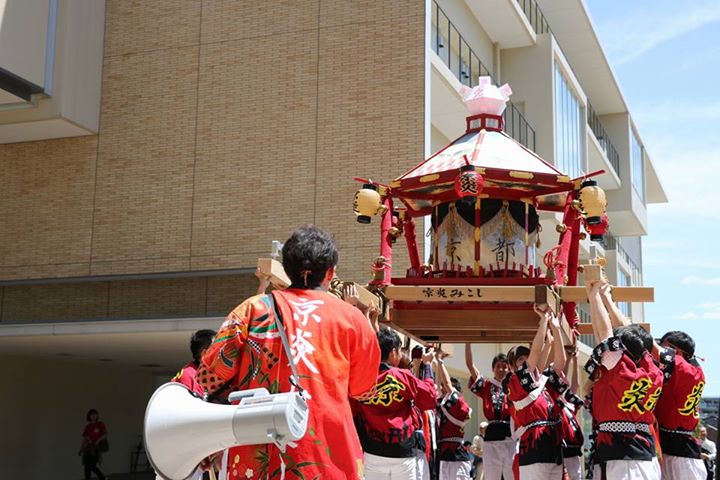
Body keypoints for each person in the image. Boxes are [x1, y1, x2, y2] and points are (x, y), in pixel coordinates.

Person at [196, 225, 381, 478]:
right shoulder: (353, 319)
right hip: (328, 456)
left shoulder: (253, 309)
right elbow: (364, 389)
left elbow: (209, 377)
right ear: (330, 272)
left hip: (256, 452)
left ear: (287, 268)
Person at [598, 282, 706, 479]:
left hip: (678, 455)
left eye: (664, 348)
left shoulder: (682, 368)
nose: (655, 355)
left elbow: (636, 338)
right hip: (676, 449)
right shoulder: (692, 370)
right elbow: (634, 338)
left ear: (678, 352)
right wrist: (607, 300)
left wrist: (604, 299)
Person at [583, 279, 663, 479]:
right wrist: (606, 298)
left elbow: (606, 335)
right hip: (643, 452)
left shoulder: (623, 372)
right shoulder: (653, 370)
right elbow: (635, 336)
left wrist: (593, 296)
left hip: (625, 457)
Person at [353, 327, 438, 479]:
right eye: (399, 351)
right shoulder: (401, 376)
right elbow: (429, 398)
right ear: (393, 352)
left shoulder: (364, 377)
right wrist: (427, 367)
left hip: (372, 451)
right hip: (402, 453)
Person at [506, 305, 565, 479]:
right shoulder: (515, 382)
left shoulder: (543, 381)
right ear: (512, 367)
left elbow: (560, 361)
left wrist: (556, 328)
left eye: (526, 357)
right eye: (520, 360)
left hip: (553, 445)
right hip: (533, 446)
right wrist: (544, 321)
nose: (525, 361)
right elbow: (536, 353)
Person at [465, 346, 514, 480]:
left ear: (509, 369)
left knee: (512, 475)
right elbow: (470, 365)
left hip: (510, 436)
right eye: (498, 366)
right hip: (491, 437)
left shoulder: (514, 386)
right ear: (493, 369)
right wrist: (468, 342)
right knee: (492, 476)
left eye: (504, 367)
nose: (501, 370)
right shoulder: (486, 385)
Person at [436, 354, 473, 480]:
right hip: (444, 453)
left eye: (444, 388)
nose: (442, 389)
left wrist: (440, 361)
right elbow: (440, 385)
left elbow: (447, 384)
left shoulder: (459, 403)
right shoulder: (444, 404)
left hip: (457, 455)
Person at [172, 329, 216, 397]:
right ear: (204, 353)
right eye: (217, 347)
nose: (222, 351)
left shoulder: (216, 372)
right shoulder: (189, 376)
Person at [80, 409, 107, 480]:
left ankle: (102, 477)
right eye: (91, 415)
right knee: (86, 465)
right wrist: (81, 448)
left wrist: (98, 440)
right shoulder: (88, 426)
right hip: (88, 448)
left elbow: (104, 435)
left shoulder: (100, 424)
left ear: (97, 415)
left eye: (95, 414)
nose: (93, 416)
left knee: (92, 465)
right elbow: (85, 438)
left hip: (95, 448)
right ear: (89, 416)